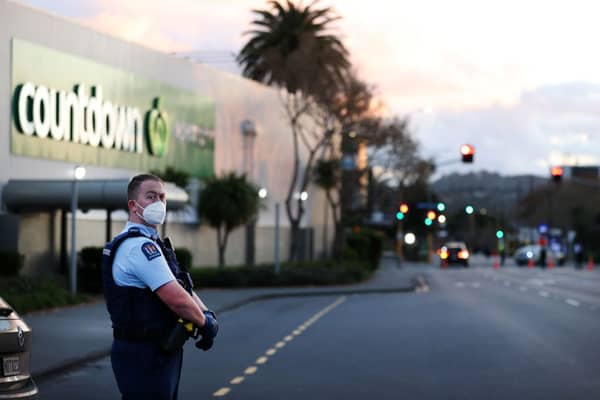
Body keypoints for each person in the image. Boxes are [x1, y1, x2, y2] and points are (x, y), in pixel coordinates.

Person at [102, 173, 218, 399]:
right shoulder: (139, 248)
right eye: (151, 196)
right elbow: (176, 298)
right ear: (133, 205)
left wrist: (205, 315)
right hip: (143, 352)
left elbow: (182, 286)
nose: (159, 203)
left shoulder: (153, 243)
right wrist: (206, 324)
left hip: (157, 349)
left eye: (162, 197)